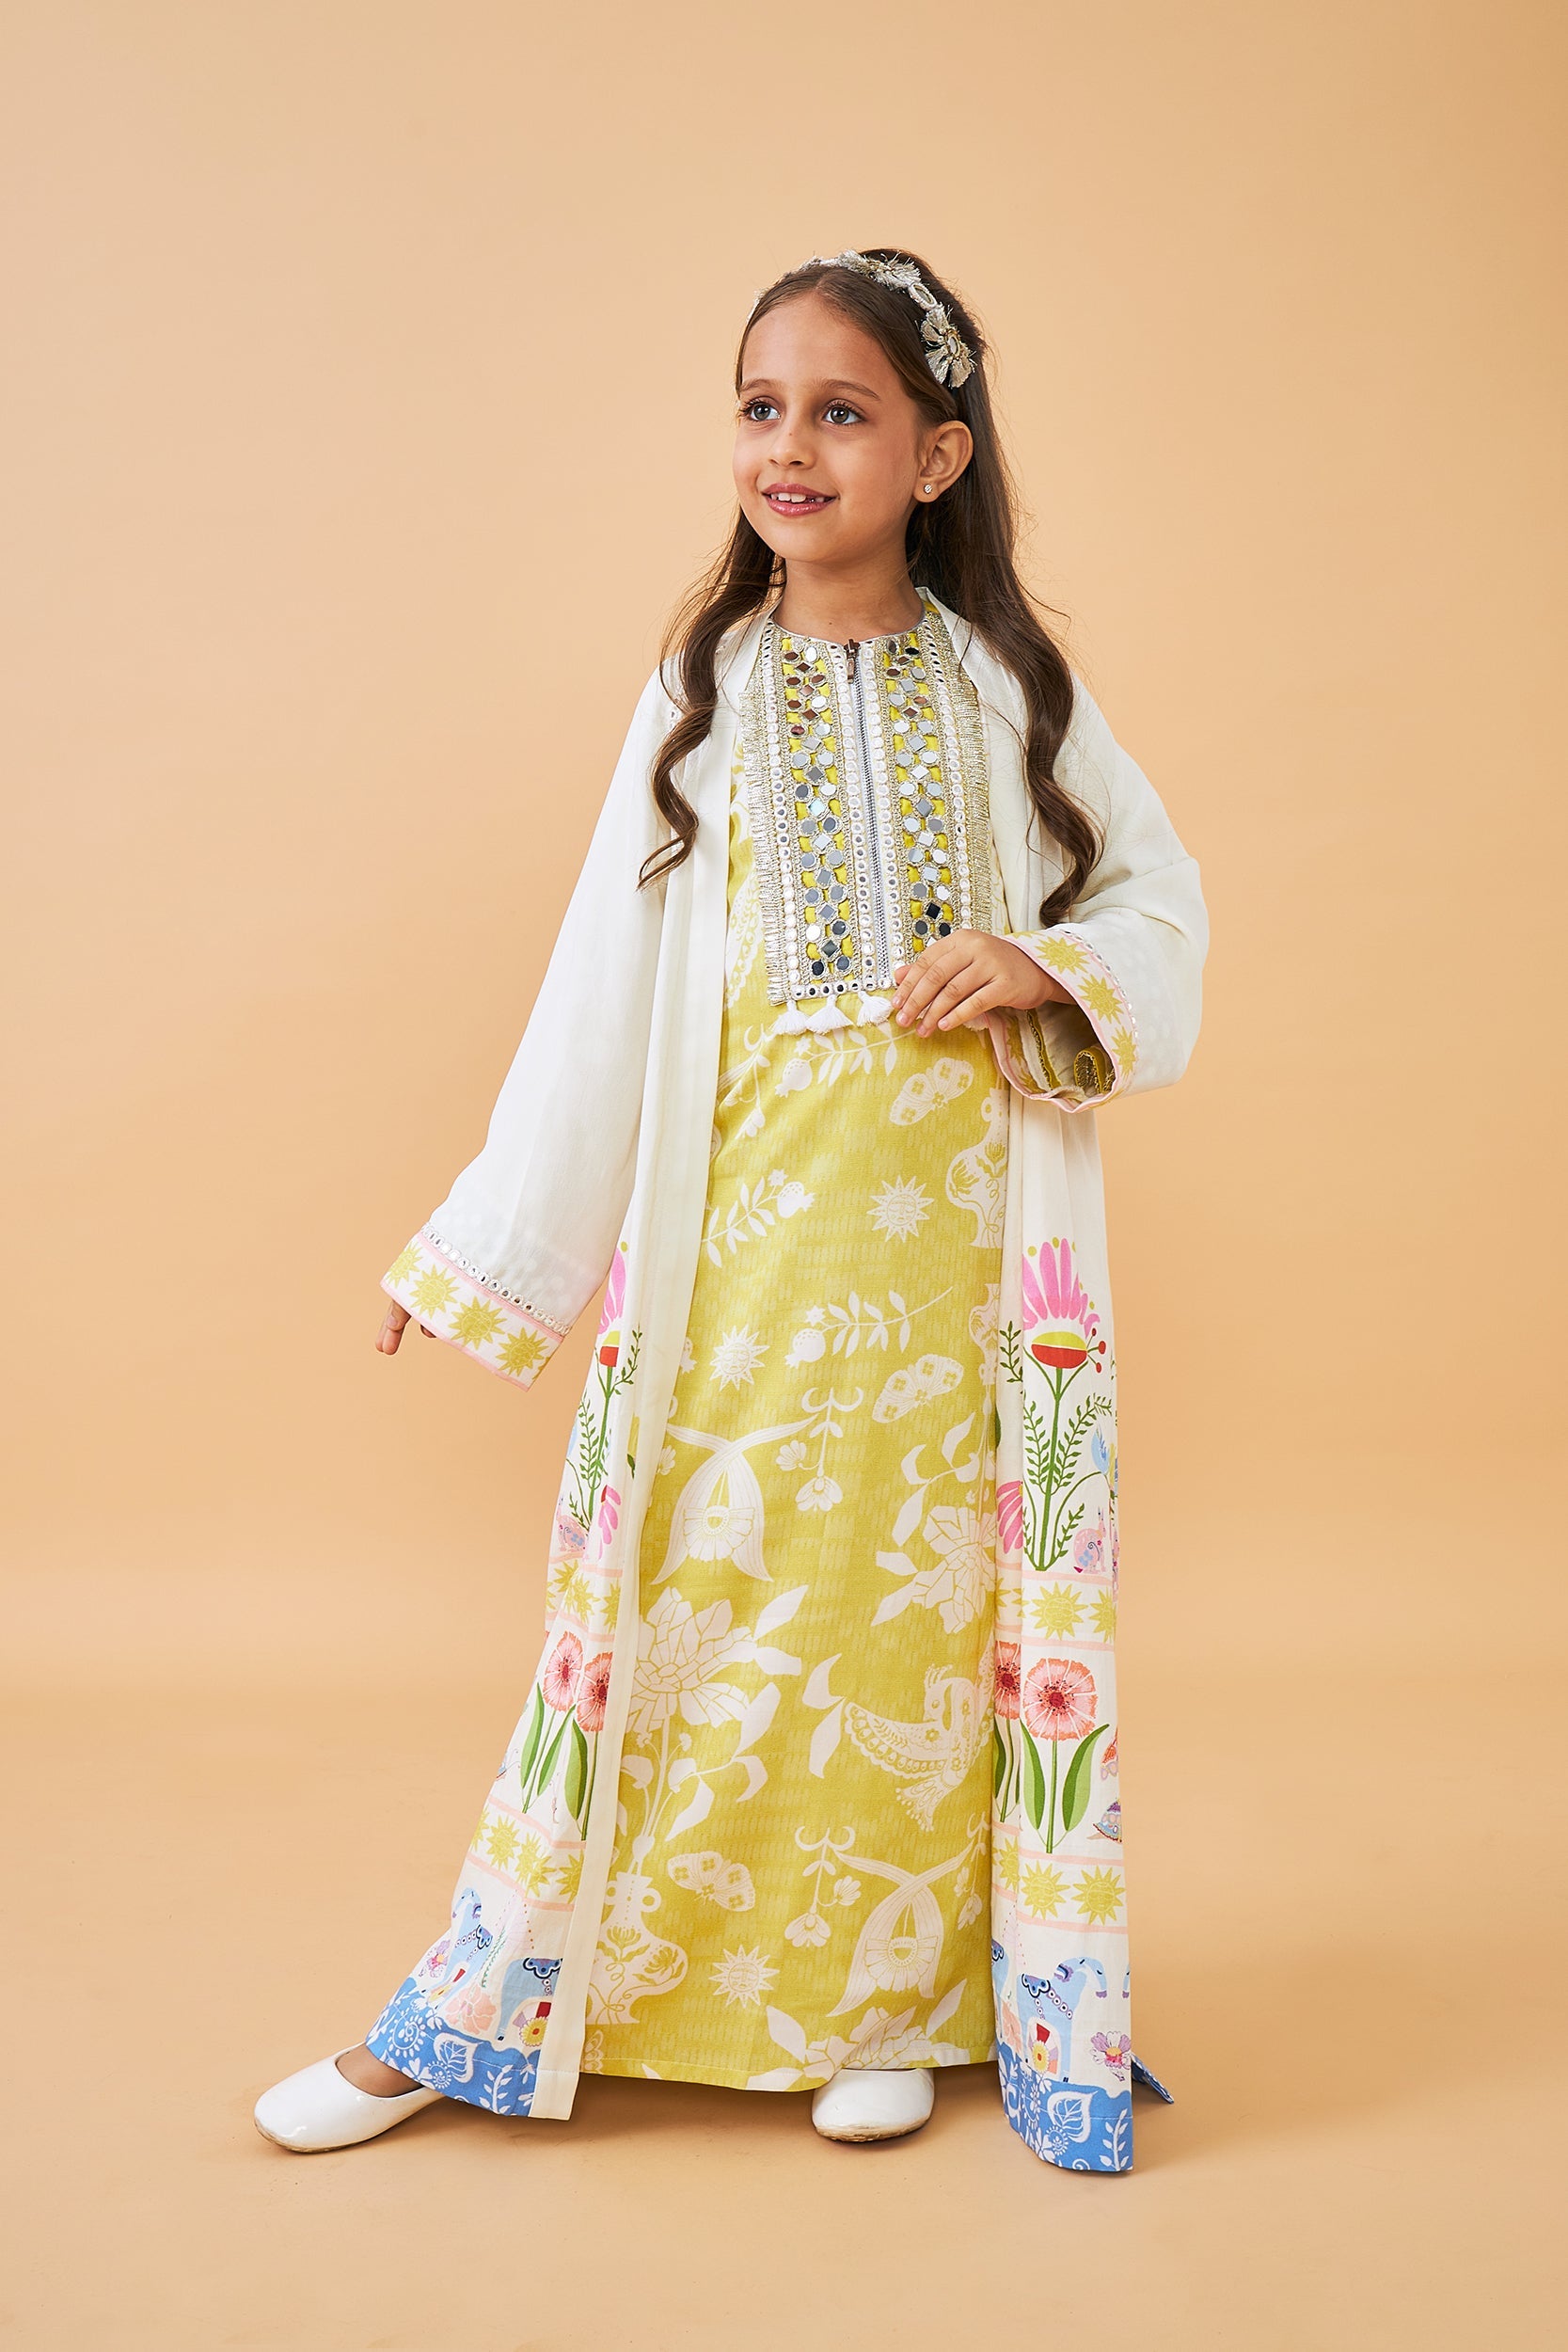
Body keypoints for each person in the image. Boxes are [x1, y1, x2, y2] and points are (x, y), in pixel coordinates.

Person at [253, 248, 1207, 2169]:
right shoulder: (705, 694)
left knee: (909, 1629)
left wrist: (1039, 963)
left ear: (936, 455)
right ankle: (491, 1991)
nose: (792, 445)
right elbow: (596, 992)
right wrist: (487, 1243)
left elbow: (1157, 907)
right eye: (763, 408)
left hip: (960, 1277)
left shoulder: (1011, 688)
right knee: (692, 1602)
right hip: (744, 1254)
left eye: (842, 412)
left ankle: (879, 2003)